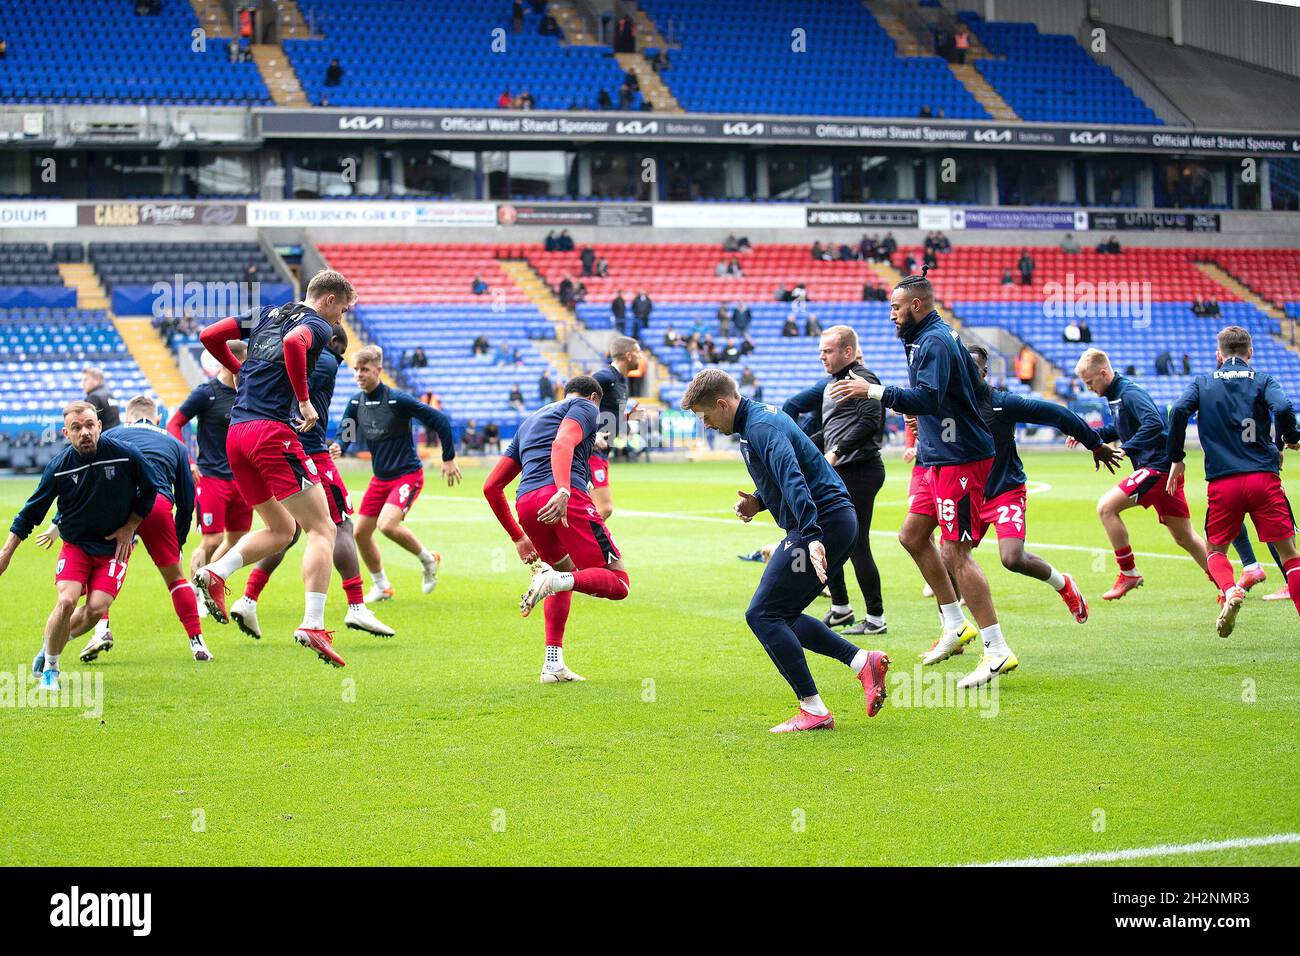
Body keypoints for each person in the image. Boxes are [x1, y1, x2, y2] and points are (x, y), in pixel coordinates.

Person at [833, 267, 1015, 689]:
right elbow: (954, 392)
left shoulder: (933, 340)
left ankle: (996, 648)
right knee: (912, 536)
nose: (891, 315)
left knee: (955, 554)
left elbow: (929, 398)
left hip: (961, 460)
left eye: (896, 308)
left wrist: (873, 392)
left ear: (917, 305)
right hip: (938, 456)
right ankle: (954, 626)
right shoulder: (929, 337)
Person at [682, 369, 889, 732]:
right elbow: (789, 473)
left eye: (706, 416)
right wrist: (759, 502)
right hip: (829, 520)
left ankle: (814, 709)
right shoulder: (757, 423)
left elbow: (793, 475)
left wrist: (811, 536)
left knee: (762, 614)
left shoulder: (761, 427)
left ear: (722, 403)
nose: (707, 425)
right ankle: (862, 663)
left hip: (823, 522)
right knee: (783, 614)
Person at [193, 270, 352, 667]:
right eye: (343, 311)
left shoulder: (266, 311)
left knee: (283, 529)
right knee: (323, 527)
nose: (340, 321)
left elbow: (209, 334)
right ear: (329, 299)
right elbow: (295, 342)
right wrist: (303, 400)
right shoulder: (314, 323)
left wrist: (238, 367)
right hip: (271, 433)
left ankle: (217, 573)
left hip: (237, 434)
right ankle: (313, 623)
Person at [229, 326, 393, 641]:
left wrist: (343, 443)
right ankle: (356, 605)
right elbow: (350, 415)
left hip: (270, 446)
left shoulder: (294, 360)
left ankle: (248, 599)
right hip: (307, 452)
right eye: (352, 365)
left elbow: (347, 418)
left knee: (285, 534)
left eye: (362, 369)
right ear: (335, 347)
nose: (355, 372)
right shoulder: (325, 359)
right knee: (339, 525)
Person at [482, 376, 631, 683]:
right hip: (565, 499)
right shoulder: (586, 407)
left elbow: (491, 487)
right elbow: (563, 441)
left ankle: (553, 663)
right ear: (594, 398)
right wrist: (563, 490)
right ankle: (553, 578)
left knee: (563, 571)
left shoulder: (531, 420)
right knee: (619, 582)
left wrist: (518, 537)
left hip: (526, 504)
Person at [1, 402, 156, 692]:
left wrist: (130, 527)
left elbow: (150, 489)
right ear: (66, 433)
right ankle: (51, 668)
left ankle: (51, 644)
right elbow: (30, 513)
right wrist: (6, 553)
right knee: (67, 601)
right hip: (76, 547)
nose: (84, 432)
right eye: (76, 428)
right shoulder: (58, 468)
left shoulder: (126, 456)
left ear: (99, 426)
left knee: (96, 608)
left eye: (88, 425)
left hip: (114, 549)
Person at [966, 345, 1121, 622]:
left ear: (984, 372)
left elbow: (1058, 414)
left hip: (1004, 491)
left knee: (1012, 558)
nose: (966, 373)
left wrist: (1095, 443)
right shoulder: (951, 404)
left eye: (973, 368)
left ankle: (1064, 584)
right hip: (969, 494)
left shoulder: (1002, 403)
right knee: (951, 558)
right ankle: (954, 632)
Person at [1165, 326, 1300, 635]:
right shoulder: (1264, 380)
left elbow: (1177, 412)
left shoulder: (1203, 383)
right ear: (1249, 353)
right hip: (1263, 480)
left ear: (1219, 355)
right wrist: (1287, 440)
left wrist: (1177, 457)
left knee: (1215, 551)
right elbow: (1282, 407)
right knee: (1289, 555)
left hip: (1223, 483)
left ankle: (1230, 589)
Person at [66, 394, 206, 663]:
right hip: (157, 507)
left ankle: (102, 629)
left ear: (128, 418)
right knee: (176, 579)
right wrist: (178, 540)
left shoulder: (113, 434)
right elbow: (187, 502)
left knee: (97, 568)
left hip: (118, 508)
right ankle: (197, 643)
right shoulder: (174, 442)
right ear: (158, 419)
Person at [1071, 347, 1211, 601]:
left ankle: (1129, 572)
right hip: (1164, 470)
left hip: (1156, 467)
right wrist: (1087, 436)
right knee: (1184, 537)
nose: (1088, 388)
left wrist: (1126, 449)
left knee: (1106, 507)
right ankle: (1227, 585)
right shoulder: (1116, 394)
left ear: (1103, 373)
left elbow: (1154, 423)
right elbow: (1119, 428)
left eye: (1090, 382)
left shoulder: (1130, 393)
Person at [335, 346, 460, 602]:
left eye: (365, 370)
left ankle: (428, 560)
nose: (359, 374)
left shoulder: (397, 400)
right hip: (380, 478)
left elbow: (440, 421)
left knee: (387, 525)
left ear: (378, 370)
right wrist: (340, 446)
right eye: (356, 370)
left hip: (407, 475)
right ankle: (382, 586)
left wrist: (448, 458)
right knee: (359, 533)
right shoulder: (355, 402)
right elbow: (346, 433)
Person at [807, 327, 887, 636]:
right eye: (820, 351)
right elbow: (830, 432)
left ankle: (876, 618)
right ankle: (841, 608)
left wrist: (837, 452)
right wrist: (798, 444)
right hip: (840, 471)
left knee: (857, 545)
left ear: (847, 352)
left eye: (827, 351)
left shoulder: (864, 380)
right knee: (828, 542)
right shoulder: (833, 384)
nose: (822, 357)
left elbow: (870, 422)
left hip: (860, 470)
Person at [168, 341, 251, 592]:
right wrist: (188, 461)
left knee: (237, 541)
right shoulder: (207, 392)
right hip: (212, 476)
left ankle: (208, 582)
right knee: (212, 539)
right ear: (231, 361)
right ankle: (194, 593)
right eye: (246, 360)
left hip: (244, 480)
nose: (250, 365)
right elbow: (174, 425)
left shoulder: (247, 392)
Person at [589, 337, 643, 520]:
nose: (640, 356)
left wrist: (627, 417)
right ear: (628, 356)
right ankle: (578, 547)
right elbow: (573, 400)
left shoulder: (621, 382)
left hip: (602, 453)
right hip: (590, 452)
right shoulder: (606, 377)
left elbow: (607, 415)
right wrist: (592, 434)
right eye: (638, 353)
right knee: (604, 509)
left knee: (586, 509)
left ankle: (568, 548)